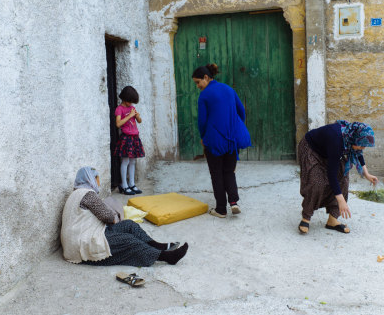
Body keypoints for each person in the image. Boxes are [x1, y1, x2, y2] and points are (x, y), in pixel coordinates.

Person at [60, 167, 189, 266]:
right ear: (89, 179)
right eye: (96, 177)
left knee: (129, 225)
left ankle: (157, 245)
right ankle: (165, 257)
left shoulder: (77, 193)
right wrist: (115, 216)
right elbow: (108, 217)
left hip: (80, 239)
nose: (98, 181)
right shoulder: (87, 193)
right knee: (127, 240)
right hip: (82, 245)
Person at [192, 63, 252, 218]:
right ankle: (233, 202)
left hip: (214, 140)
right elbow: (241, 110)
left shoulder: (204, 95)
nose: (198, 86)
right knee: (229, 171)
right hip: (232, 139)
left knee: (216, 173)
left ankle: (221, 209)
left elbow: (202, 122)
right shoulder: (228, 89)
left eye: (198, 82)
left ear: (206, 77)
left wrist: (203, 138)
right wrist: (235, 126)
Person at [297, 120, 379, 234]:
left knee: (343, 180)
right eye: (361, 145)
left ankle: (332, 220)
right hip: (311, 149)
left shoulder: (350, 138)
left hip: (329, 151)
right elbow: (331, 173)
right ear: (355, 139)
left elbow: (358, 153)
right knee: (316, 182)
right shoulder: (337, 139)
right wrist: (341, 200)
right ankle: (306, 218)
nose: (363, 148)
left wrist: (366, 174)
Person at [114, 86, 144, 195]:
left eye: (132, 102)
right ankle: (124, 185)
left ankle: (132, 184)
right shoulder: (119, 109)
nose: (131, 104)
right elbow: (118, 124)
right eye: (129, 101)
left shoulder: (132, 108)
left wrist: (137, 116)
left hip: (134, 137)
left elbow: (139, 121)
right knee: (125, 161)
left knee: (133, 161)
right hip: (126, 137)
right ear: (124, 98)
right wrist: (129, 115)